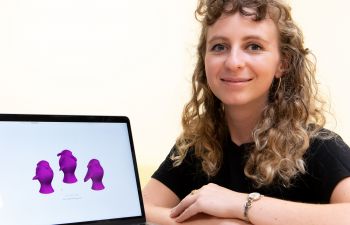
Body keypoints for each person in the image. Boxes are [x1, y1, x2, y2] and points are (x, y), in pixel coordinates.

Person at [142, 0, 350, 224]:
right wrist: (215, 223)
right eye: (219, 47)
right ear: (204, 61)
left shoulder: (320, 146)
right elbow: (141, 208)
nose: (233, 62)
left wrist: (241, 205)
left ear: (283, 63)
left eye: (254, 46)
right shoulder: (197, 148)